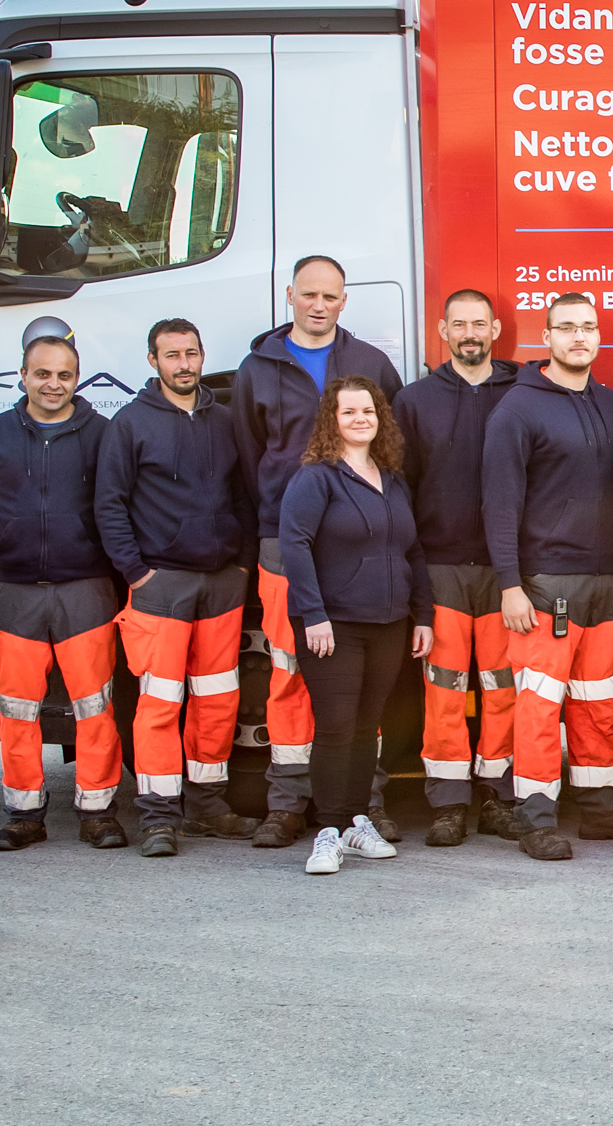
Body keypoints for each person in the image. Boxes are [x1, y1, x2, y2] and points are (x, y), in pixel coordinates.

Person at [236, 256, 406, 849]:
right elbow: (247, 453)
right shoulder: (258, 368)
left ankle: (364, 806)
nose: (318, 304)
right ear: (289, 296)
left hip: (362, 541)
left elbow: (390, 443)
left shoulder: (371, 365)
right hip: (287, 544)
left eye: (329, 295)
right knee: (288, 673)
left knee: (361, 687)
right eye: (308, 294)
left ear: (343, 301)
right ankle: (287, 802)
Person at [96, 318, 264, 857]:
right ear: (153, 361)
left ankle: (208, 807)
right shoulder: (130, 423)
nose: (184, 364)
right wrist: (137, 573)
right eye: (172, 355)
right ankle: (158, 816)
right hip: (159, 584)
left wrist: (241, 566)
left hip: (222, 584)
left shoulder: (224, 420)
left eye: (191, 353)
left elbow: (245, 496)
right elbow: (109, 506)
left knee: (217, 701)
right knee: (159, 705)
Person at [483, 293, 613, 861]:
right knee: (539, 705)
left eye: (589, 327)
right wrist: (510, 584)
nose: (579, 337)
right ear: (545, 337)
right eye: (567, 328)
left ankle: (599, 810)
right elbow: (499, 504)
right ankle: (536, 816)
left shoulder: (611, 404)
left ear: (600, 338)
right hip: (546, 585)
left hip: (606, 583)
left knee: (597, 703)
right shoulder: (518, 409)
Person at [0, 329, 125, 851]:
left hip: (86, 590)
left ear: (78, 380)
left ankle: (99, 812)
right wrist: (12, 545)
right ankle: (23, 814)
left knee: (95, 707)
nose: (53, 384)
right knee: (16, 707)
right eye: (42, 373)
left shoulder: (103, 434)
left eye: (64, 375)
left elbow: (118, 505)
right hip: (16, 593)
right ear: (23, 376)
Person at [275, 376, 432, 876]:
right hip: (333, 626)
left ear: (380, 418)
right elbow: (294, 544)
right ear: (332, 420)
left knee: (368, 730)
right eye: (349, 412)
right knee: (337, 729)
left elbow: (412, 550)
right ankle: (327, 831)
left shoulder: (392, 478)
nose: (360, 418)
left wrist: (423, 615)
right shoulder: (316, 477)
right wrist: (314, 614)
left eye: (368, 410)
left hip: (386, 624)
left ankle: (356, 823)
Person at [393, 289, 523, 847]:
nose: (470, 333)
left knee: (504, 687)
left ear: (496, 330)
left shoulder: (524, 390)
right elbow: (400, 487)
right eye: (458, 324)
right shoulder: (414, 400)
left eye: (480, 324)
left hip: (507, 569)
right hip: (440, 564)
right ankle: (448, 802)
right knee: (444, 689)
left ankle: (498, 797)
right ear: (441, 331)